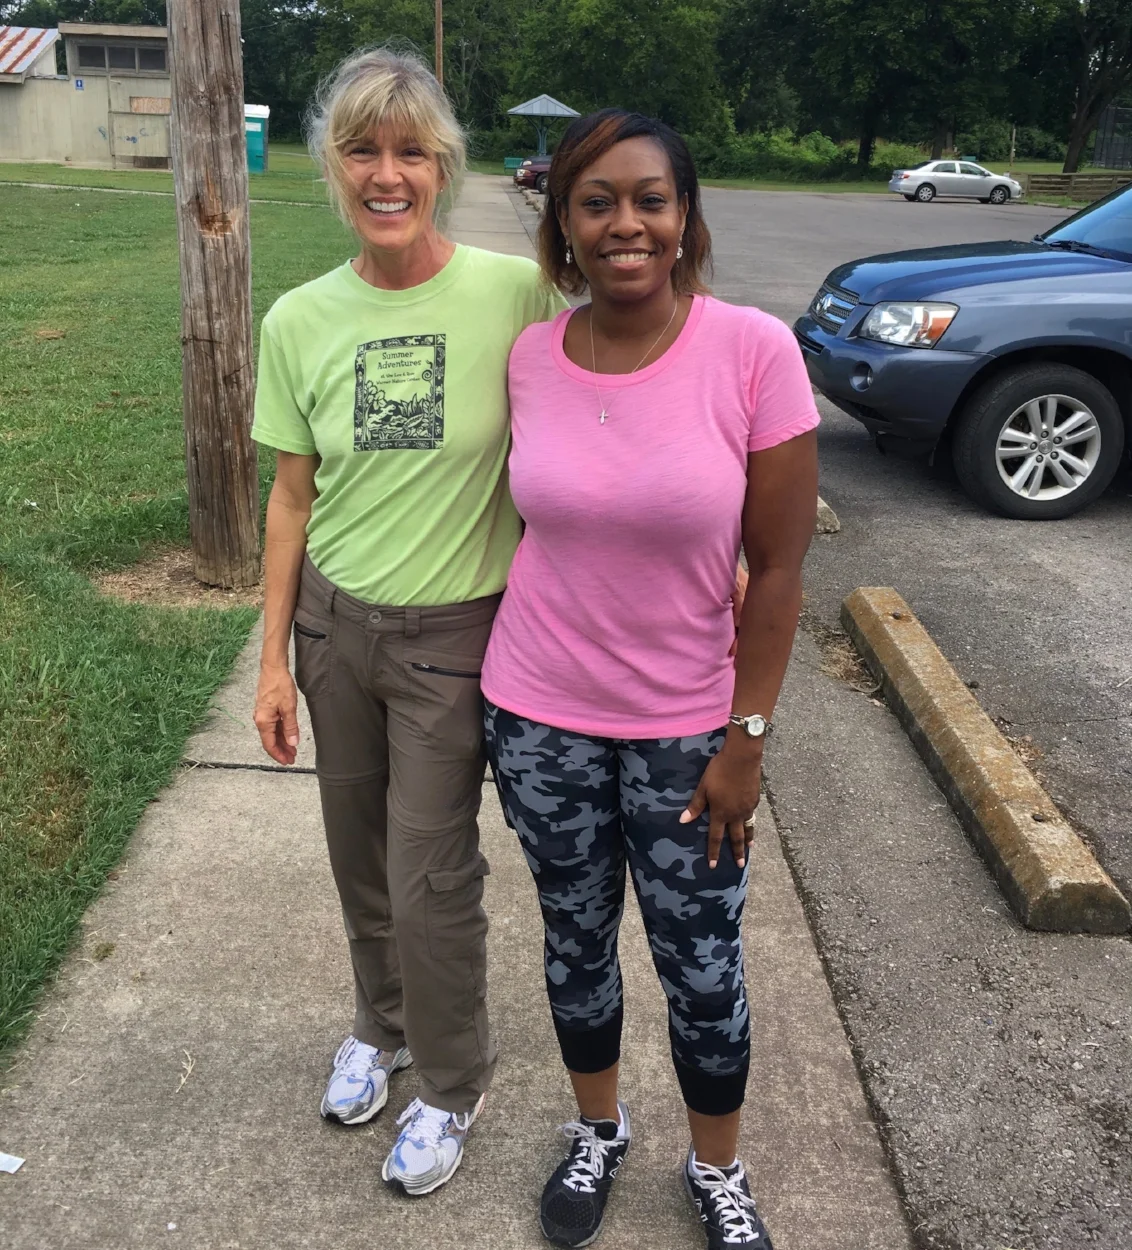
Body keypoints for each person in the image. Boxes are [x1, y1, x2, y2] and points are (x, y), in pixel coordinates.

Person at [482, 109, 820, 1250]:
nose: (625, 223)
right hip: (536, 717)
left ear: (684, 219)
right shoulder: (530, 357)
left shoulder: (752, 351)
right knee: (573, 941)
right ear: (562, 228)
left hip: (689, 735)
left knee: (702, 966)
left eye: (649, 199)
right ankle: (598, 1129)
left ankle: (716, 1168)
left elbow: (775, 571)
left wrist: (748, 740)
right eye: (595, 203)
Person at [249, 46, 565, 1197]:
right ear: (332, 166)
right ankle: (378, 1026)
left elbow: (612, 383)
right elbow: (292, 496)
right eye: (363, 150)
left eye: (411, 153)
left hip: (453, 640)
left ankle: (449, 1077)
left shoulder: (513, 291)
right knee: (355, 852)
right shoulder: (299, 317)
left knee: (430, 868)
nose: (387, 174)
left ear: (444, 167)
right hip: (336, 629)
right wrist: (276, 660)